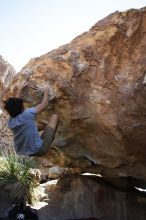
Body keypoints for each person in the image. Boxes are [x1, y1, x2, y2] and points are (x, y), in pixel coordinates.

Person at [3, 82, 58, 157]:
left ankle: (43, 128)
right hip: (40, 149)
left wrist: (19, 89)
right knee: (55, 116)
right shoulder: (27, 114)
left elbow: (15, 104)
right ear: (21, 107)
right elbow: (44, 104)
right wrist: (46, 91)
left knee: (31, 126)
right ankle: (50, 140)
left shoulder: (10, 122)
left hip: (27, 151)